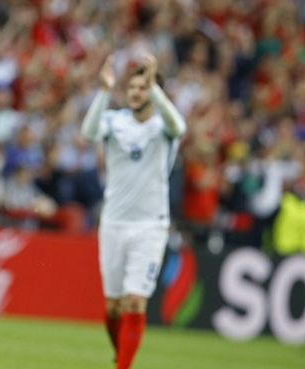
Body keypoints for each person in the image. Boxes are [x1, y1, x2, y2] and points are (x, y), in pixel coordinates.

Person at [80, 53, 186, 369]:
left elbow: (179, 126)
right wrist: (102, 91)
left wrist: (156, 88)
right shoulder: (115, 121)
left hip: (150, 226)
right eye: (133, 87)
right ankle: (121, 357)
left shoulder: (163, 127)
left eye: (144, 87)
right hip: (113, 223)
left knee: (135, 301)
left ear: (155, 91)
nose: (136, 92)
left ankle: (123, 366)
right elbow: (88, 133)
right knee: (113, 307)